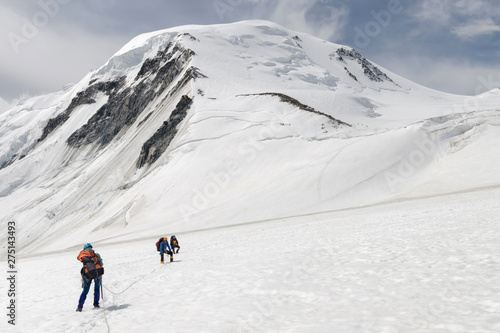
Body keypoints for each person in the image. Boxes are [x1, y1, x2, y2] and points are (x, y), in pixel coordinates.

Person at [76, 243, 104, 311]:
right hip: (97, 274)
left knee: (85, 291)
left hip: (87, 274)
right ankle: (96, 304)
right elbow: (101, 264)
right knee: (96, 289)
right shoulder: (96, 255)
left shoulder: (84, 256)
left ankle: (80, 307)